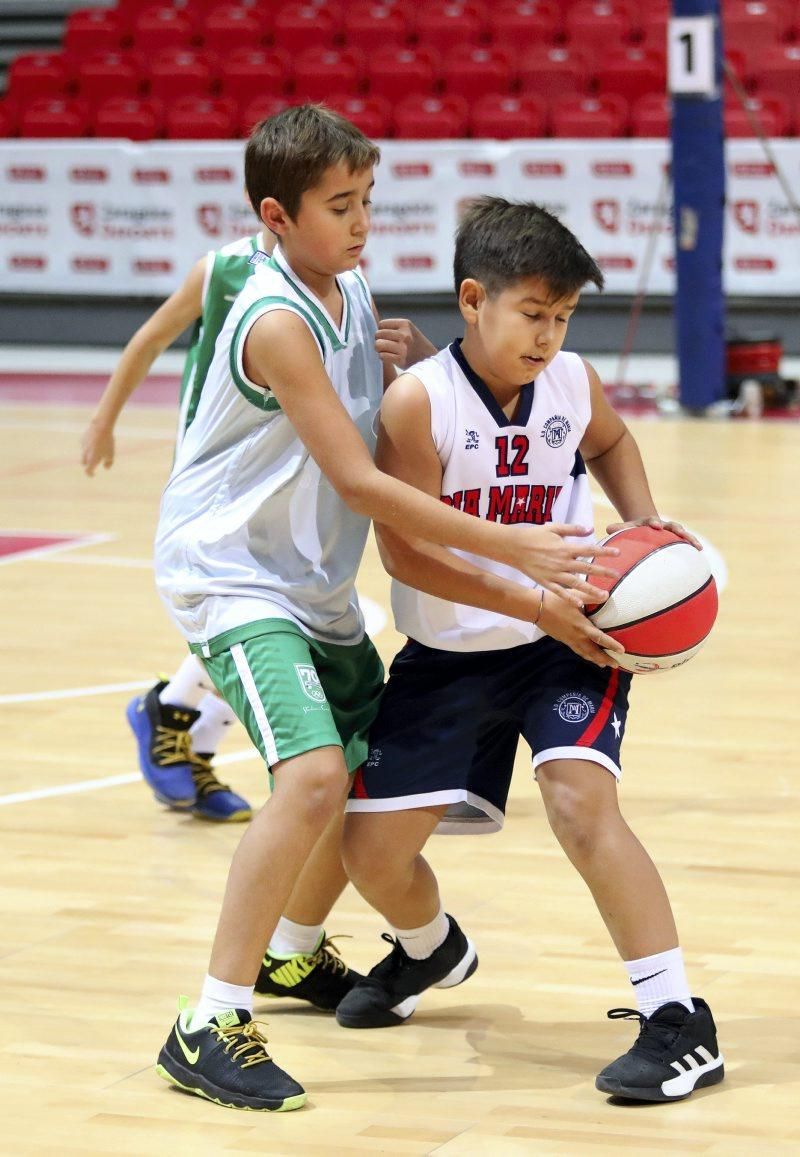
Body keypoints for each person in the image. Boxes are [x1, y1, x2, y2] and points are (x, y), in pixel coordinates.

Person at [151, 107, 618, 1113]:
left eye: (368, 200)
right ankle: (206, 1019)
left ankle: (291, 958)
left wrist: (399, 365)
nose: (361, 223)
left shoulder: (348, 287)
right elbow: (362, 483)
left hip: (312, 578)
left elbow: (366, 416)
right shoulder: (276, 317)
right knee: (313, 774)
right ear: (276, 217)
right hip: (235, 574)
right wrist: (514, 545)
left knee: (357, 778)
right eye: (338, 206)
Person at [336, 196, 725, 1106]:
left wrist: (645, 529)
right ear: (474, 300)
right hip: (451, 652)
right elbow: (407, 552)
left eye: (563, 318)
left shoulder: (574, 382)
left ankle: (679, 1019)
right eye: (533, 314)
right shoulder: (415, 403)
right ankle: (434, 950)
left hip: (573, 642)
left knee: (580, 803)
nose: (550, 336)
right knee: (370, 856)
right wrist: (529, 601)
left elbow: (615, 438)